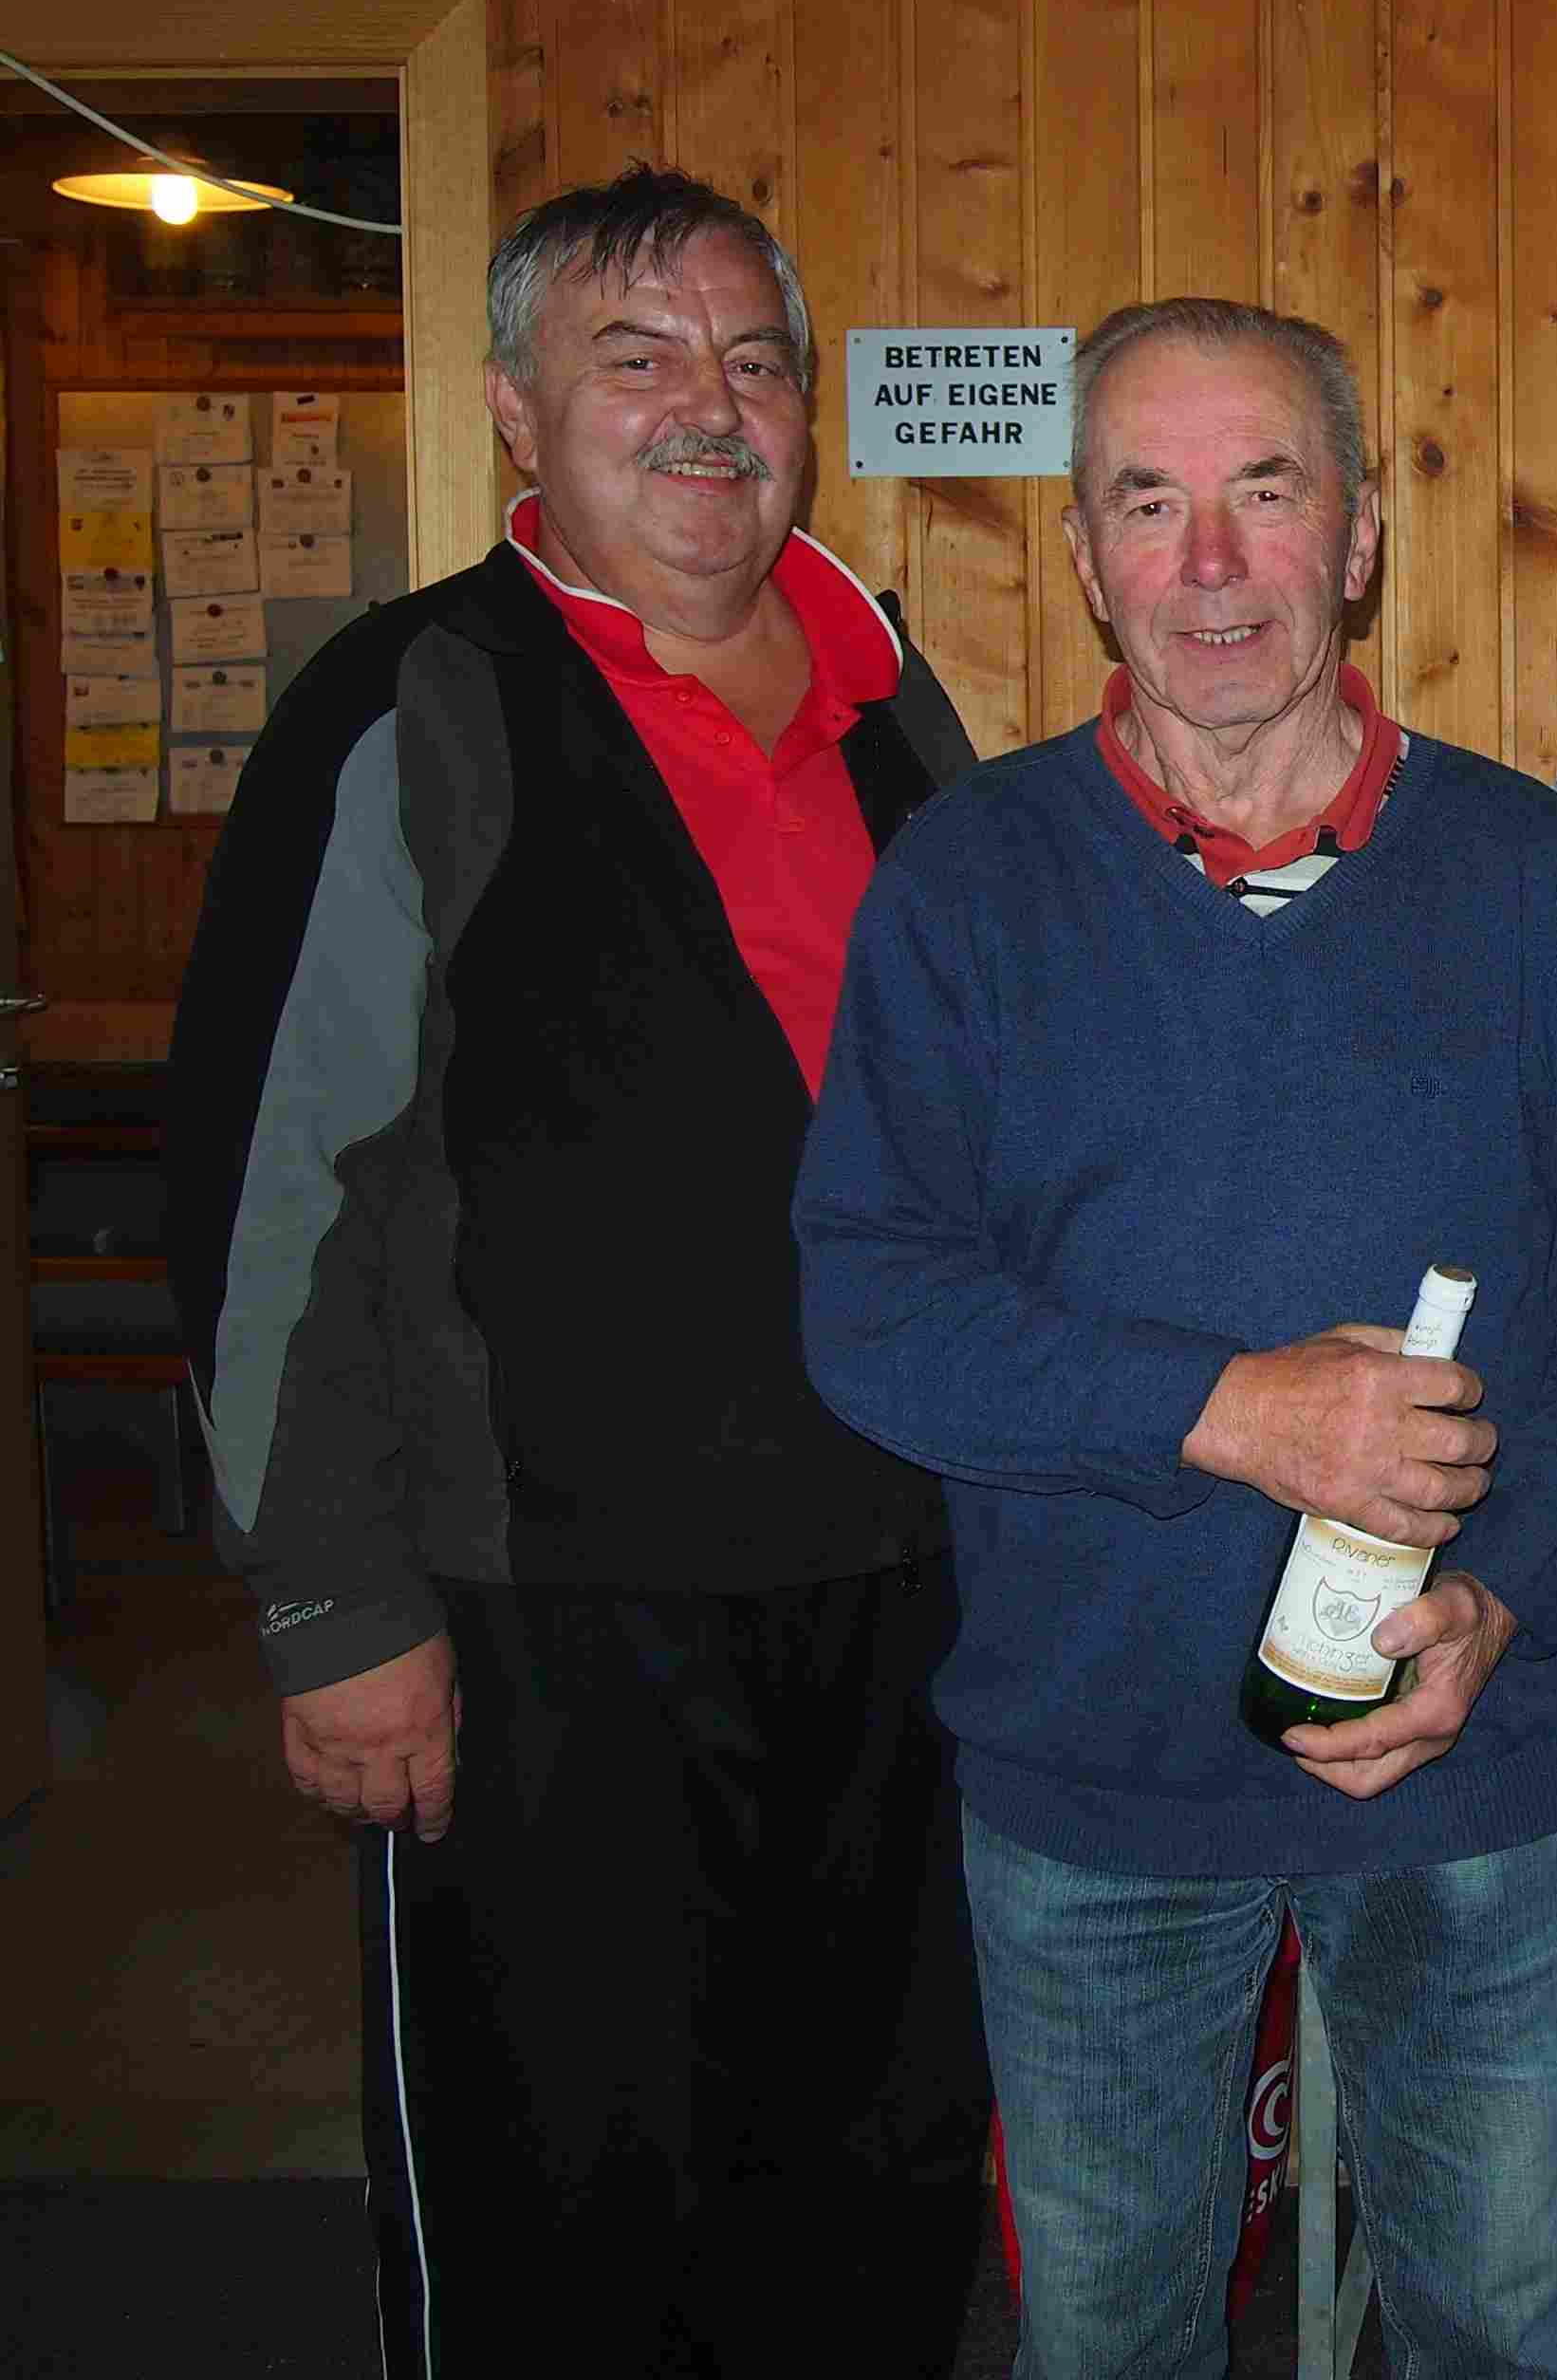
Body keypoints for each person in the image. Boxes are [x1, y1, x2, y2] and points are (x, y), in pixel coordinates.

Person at [793, 297, 1557, 2380]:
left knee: (1497, 2310)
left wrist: (1506, 1592)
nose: (1210, 564)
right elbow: (869, 1305)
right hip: (1094, 1779)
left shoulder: (1526, 873)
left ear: (1360, 535)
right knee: (1113, 2331)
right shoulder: (971, 881)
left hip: (1461, 1756)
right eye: (1150, 503)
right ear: (1083, 555)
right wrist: (1229, 1412)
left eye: (1265, 493)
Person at [165, 165, 991, 2376]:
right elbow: (273, 1186)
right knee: (567, 2224)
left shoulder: (899, 707)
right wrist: (333, 1603)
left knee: (868, 2196)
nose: (708, 407)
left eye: (753, 360)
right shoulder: (411, 702)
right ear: (517, 410)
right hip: (540, 1618)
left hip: (896, 1595)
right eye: (636, 359)